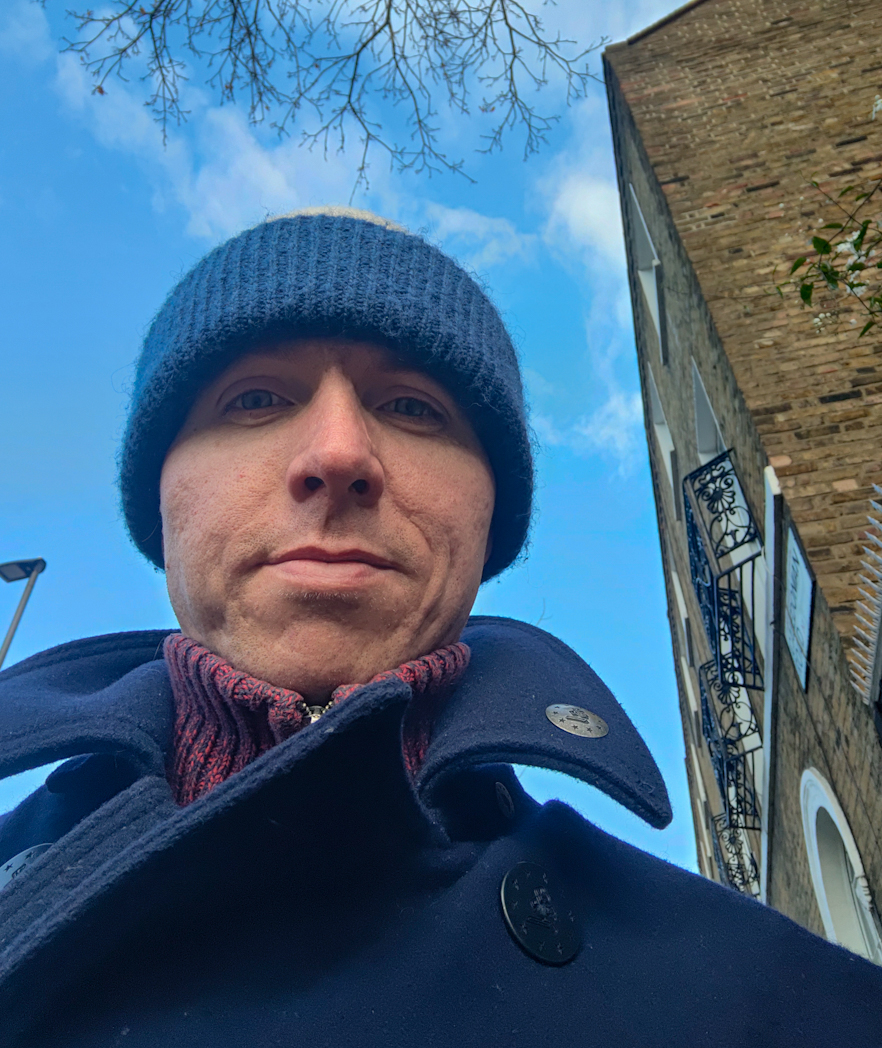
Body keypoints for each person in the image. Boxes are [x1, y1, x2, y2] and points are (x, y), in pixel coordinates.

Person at [0, 207, 880, 1048]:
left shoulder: (773, 1006)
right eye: (256, 398)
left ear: (490, 513)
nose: (339, 453)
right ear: (160, 496)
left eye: (414, 406)